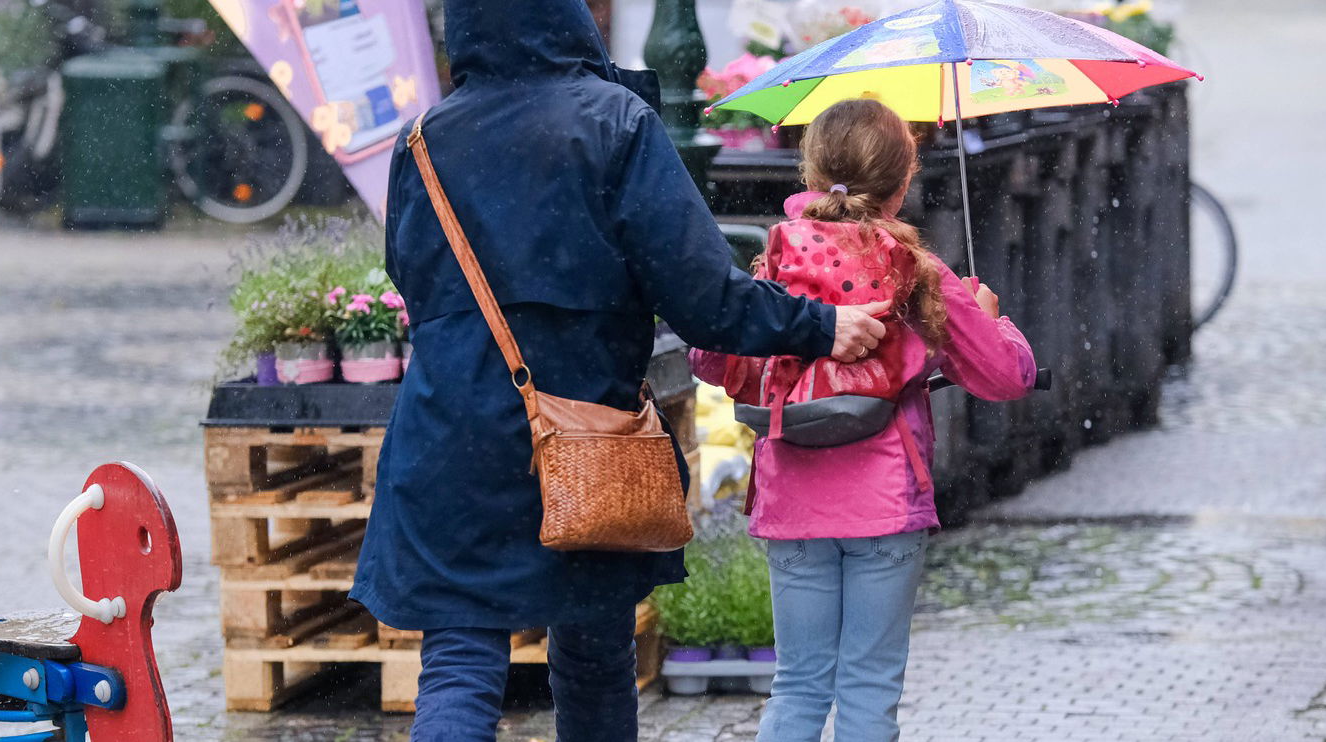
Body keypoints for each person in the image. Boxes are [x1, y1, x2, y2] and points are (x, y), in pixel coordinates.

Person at [346, 1, 891, 740]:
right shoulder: (613, 123)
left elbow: (413, 281)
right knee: (596, 652)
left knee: (461, 659)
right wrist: (821, 326)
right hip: (588, 433)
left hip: (450, 440)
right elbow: (703, 298)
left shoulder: (423, 139)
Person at [690, 99, 1037, 742]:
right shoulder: (916, 271)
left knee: (797, 686)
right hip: (883, 504)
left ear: (809, 171)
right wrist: (988, 318)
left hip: (793, 503)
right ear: (904, 182)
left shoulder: (776, 265)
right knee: (869, 691)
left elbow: (709, 360)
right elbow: (1005, 376)